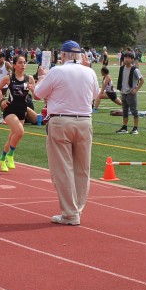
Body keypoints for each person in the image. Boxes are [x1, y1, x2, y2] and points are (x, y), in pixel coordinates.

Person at [33, 40, 100, 226]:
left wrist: (41, 77)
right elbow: (95, 94)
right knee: (82, 169)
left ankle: (70, 213)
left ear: (63, 55)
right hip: (84, 121)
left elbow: (37, 94)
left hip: (61, 121)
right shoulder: (89, 72)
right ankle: (76, 209)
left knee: (62, 170)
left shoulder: (57, 71)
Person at [0, 55, 36, 171]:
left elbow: (36, 96)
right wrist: (2, 100)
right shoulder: (9, 78)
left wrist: (33, 90)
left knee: (12, 137)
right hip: (10, 110)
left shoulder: (29, 78)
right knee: (20, 132)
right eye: (20, 62)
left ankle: (2, 159)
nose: (23, 65)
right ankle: (10, 154)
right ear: (14, 65)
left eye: (24, 62)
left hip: (22, 111)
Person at [114, 52, 144, 135]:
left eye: (128, 58)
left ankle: (135, 128)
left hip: (131, 93)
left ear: (132, 59)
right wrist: (121, 91)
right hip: (123, 92)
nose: (126, 59)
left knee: (134, 111)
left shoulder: (135, 69)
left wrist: (136, 89)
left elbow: (142, 80)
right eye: (125, 57)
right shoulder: (122, 68)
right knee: (125, 111)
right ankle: (124, 127)